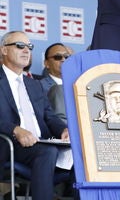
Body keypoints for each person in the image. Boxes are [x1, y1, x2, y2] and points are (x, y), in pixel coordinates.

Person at [0, 31, 70, 200]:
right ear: (4, 50)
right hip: (9, 144)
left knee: (81, 152)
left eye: (29, 47)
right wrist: (15, 129)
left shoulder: (34, 85)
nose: (26, 50)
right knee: (47, 152)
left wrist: (64, 130)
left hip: (41, 142)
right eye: (20, 46)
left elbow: (49, 116)